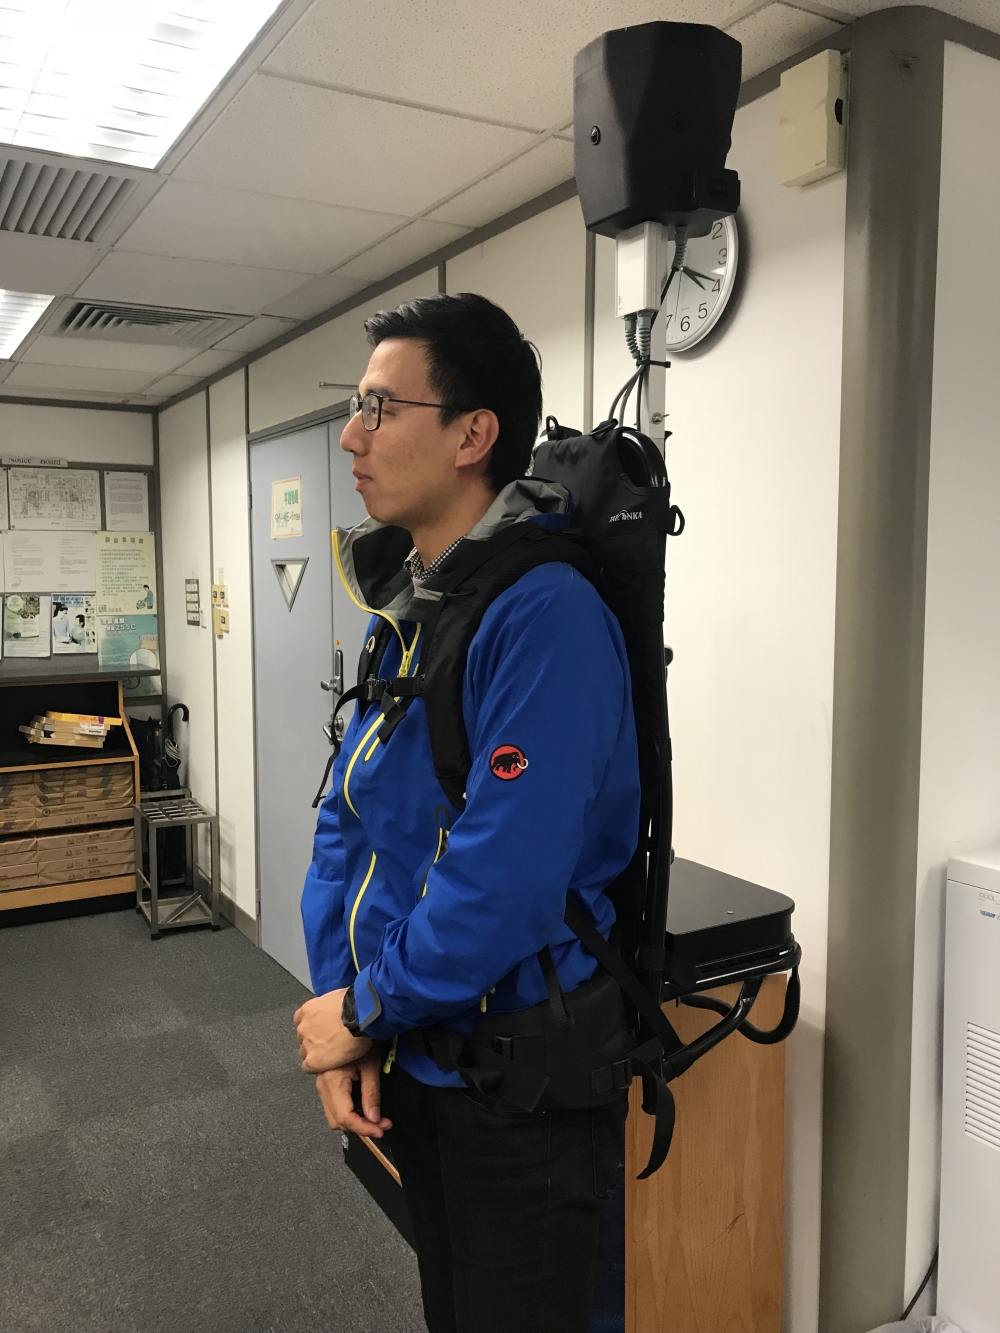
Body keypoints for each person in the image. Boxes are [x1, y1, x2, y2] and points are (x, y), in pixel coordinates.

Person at [294, 293, 640, 1333]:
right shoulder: (416, 605)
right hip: (421, 1048)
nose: (351, 436)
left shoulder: (544, 614)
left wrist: (363, 1010)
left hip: (519, 1086)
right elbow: (353, 822)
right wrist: (349, 1011)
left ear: (472, 434)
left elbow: (504, 878)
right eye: (354, 408)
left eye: (378, 407)